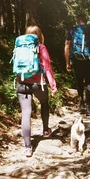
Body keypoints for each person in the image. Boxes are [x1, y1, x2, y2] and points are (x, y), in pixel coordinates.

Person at [16, 25, 57, 157]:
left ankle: (28, 147)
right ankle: (45, 130)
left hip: (22, 82)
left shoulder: (20, 46)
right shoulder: (41, 47)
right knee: (44, 103)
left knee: (25, 113)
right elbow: (47, 67)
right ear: (40, 35)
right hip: (38, 84)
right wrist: (53, 85)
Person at [64, 14, 90, 115]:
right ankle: (88, 107)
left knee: (79, 81)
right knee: (89, 82)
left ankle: (81, 103)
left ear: (77, 20)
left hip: (76, 60)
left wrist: (67, 63)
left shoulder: (72, 30)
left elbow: (67, 47)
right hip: (89, 59)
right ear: (85, 19)